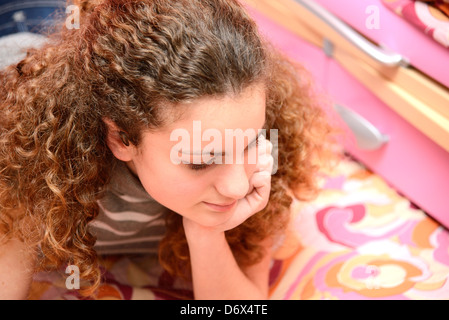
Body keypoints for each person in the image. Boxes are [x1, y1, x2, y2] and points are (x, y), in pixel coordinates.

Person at [0, 0, 333, 299]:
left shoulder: (258, 147)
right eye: (201, 161)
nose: (238, 186)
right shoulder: (31, 153)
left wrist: (207, 231)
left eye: (249, 143)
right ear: (121, 139)